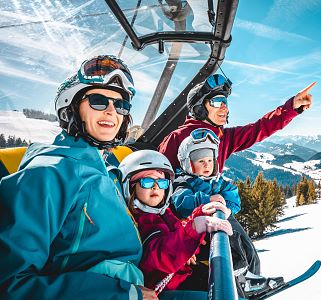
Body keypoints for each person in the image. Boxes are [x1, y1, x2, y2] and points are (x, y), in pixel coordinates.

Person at [0, 55, 156, 299]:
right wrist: (121, 294)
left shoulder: (107, 170)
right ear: (72, 107)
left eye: (121, 105)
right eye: (97, 100)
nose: (111, 112)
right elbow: (10, 285)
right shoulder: (47, 175)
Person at [171, 129, 284, 297]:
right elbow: (180, 202)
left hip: (224, 223)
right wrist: (208, 200)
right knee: (231, 241)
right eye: (201, 161)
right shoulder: (184, 183)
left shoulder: (218, 181)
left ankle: (252, 278)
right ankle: (242, 280)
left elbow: (233, 199)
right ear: (188, 163)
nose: (207, 165)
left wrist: (225, 206)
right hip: (203, 236)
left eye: (210, 160)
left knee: (248, 249)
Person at [118, 150, 232, 294]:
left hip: (181, 276)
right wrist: (194, 229)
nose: (155, 187)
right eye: (147, 181)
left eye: (161, 182)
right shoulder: (140, 222)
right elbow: (160, 255)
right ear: (131, 186)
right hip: (165, 289)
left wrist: (201, 213)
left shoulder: (163, 212)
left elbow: (178, 231)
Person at [158, 73, 315, 173]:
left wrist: (291, 107)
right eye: (218, 101)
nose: (225, 107)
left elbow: (261, 128)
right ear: (199, 108)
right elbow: (158, 179)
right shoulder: (176, 138)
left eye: (225, 101)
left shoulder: (224, 137)